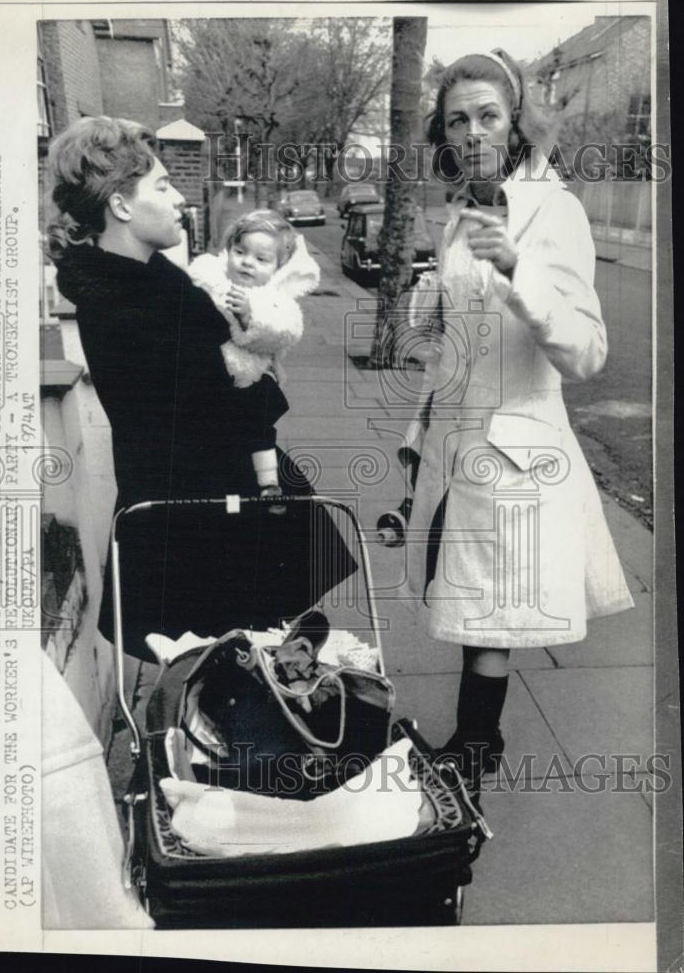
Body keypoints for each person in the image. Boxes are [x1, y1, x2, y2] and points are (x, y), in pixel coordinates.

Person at [403, 49, 634, 786]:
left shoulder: (553, 209)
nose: (472, 132)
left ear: (517, 123)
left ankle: (471, 755)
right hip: (456, 445)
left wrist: (515, 273)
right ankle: (475, 746)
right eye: (456, 119)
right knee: (472, 613)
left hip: (517, 455)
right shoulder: (459, 213)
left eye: (488, 116)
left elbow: (587, 354)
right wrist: (417, 432)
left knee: (488, 618)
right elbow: (457, 347)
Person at [47, 116, 354, 662]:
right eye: (162, 186)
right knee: (229, 661)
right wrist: (258, 387)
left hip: (210, 498)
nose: (179, 199)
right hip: (198, 516)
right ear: (121, 205)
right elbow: (204, 405)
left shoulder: (145, 281)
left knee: (243, 653)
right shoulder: (130, 300)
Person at [189, 209, 320, 497]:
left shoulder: (274, 299)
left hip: (252, 380)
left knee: (259, 432)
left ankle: (268, 482)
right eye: (240, 252)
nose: (247, 262)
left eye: (261, 259)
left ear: (278, 268)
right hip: (212, 380)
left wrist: (250, 317)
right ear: (228, 250)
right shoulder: (212, 280)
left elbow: (284, 331)